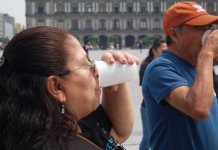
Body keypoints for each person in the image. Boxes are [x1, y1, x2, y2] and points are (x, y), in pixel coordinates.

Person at [0, 26, 139, 150]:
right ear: (57, 87)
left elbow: (119, 132)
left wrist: (116, 75)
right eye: (87, 65)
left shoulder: (65, 119)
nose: (97, 71)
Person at [142, 2, 218, 150]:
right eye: (200, 28)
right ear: (174, 34)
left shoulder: (201, 66)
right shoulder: (160, 69)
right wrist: (207, 54)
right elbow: (199, 108)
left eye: (210, 27)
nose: (209, 35)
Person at [139, 39, 166, 150]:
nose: (166, 53)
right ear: (154, 51)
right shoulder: (147, 65)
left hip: (162, 106)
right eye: (163, 50)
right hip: (148, 107)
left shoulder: (165, 63)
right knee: (148, 137)